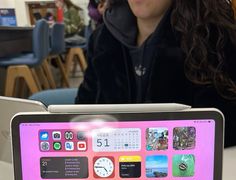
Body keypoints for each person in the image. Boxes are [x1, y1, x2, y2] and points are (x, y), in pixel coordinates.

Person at [76, 0, 236, 148]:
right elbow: (80, 115)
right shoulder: (102, 39)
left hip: (184, 170)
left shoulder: (213, 39)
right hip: (109, 168)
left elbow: (223, 133)